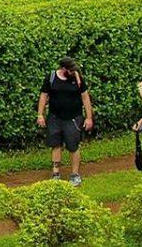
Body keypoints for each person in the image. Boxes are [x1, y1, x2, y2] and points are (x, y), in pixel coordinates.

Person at [37, 56, 94, 186]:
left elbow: (85, 98)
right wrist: (40, 114)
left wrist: (89, 117)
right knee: (56, 144)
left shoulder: (77, 78)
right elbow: (43, 96)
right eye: (70, 69)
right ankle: (56, 173)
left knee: (73, 146)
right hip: (55, 117)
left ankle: (75, 174)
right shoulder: (51, 78)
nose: (73, 72)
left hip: (73, 118)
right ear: (63, 68)